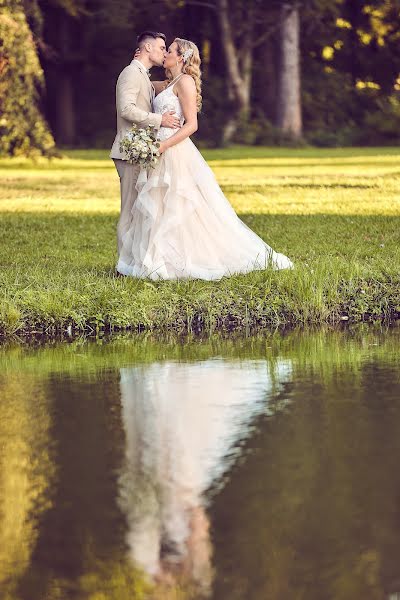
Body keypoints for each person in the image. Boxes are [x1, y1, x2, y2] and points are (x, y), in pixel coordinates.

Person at [116, 38, 293, 280]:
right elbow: (140, 82)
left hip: (173, 150)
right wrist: (138, 61)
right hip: (159, 150)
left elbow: (192, 125)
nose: (165, 53)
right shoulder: (167, 83)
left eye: (170, 50)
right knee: (158, 205)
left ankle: (184, 259)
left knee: (179, 204)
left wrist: (163, 145)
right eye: (164, 49)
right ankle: (158, 259)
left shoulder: (186, 82)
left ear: (181, 57)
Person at [110, 31, 181, 253]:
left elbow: (167, 86)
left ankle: (136, 260)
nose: (164, 52)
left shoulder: (143, 76)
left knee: (139, 210)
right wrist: (161, 120)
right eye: (162, 48)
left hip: (140, 150)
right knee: (130, 209)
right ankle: (124, 265)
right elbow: (126, 109)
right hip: (128, 151)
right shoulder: (131, 73)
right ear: (147, 48)